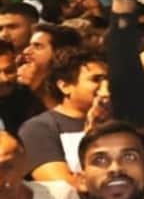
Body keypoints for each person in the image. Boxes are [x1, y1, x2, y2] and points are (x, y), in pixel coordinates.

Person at [18, 51, 106, 184]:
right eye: (96, 79)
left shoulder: (120, 119)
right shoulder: (39, 128)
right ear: (65, 86)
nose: (106, 86)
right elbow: (62, 186)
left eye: (109, 79)